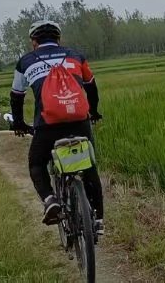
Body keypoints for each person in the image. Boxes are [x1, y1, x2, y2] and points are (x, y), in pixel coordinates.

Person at [9, 20, 105, 235]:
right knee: (89, 168)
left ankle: (51, 200)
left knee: (36, 164)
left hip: (47, 124)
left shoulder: (25, 61)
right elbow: (91, 87)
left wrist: (19, 123)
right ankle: (98, 221)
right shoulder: (75, 55)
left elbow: (16, 96)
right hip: (79, 121)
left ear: (34, 42)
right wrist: (94, 112)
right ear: (59, 39)